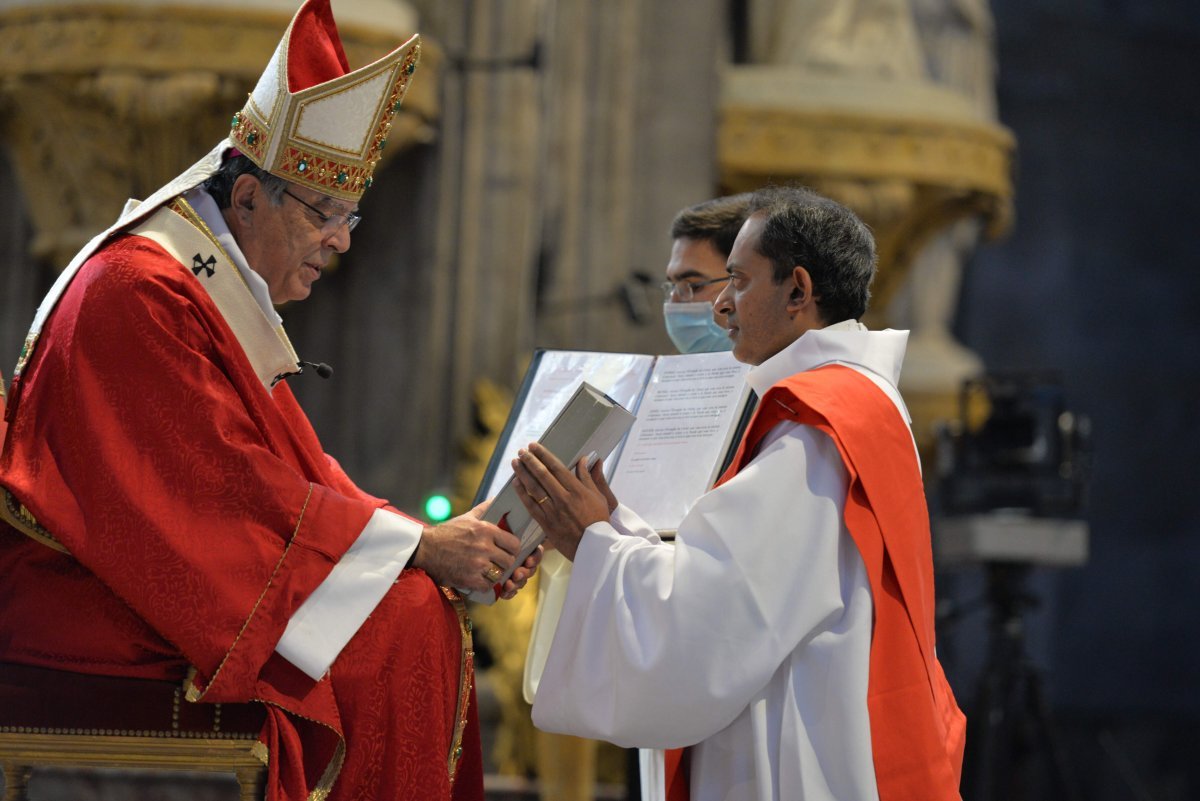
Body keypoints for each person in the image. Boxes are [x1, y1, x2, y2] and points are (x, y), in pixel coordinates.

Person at [0, 2, 538, 800]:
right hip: (73, 583)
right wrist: (416, 550)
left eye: (351, 216)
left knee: (414, 607)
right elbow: (223, 489)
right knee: (402, 625)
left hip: (137, 558)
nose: (344, 240)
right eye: (325, 214)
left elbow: (292, 471)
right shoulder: (141, 289)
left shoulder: (204, 284)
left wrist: (424, 540)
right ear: (248, 199)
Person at [512, 185, 965, 800]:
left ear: (798, 292)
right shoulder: (854, 401)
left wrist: (591, 540)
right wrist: (615, 529)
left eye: (739, 281)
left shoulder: (820, 424)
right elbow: (737, 579)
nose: (721, 306)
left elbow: (710, 621)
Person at [661, 194, 753, 354]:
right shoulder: (662, 375)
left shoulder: (793, 375)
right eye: (673, 286)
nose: (673, 302)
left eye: (694, 286)